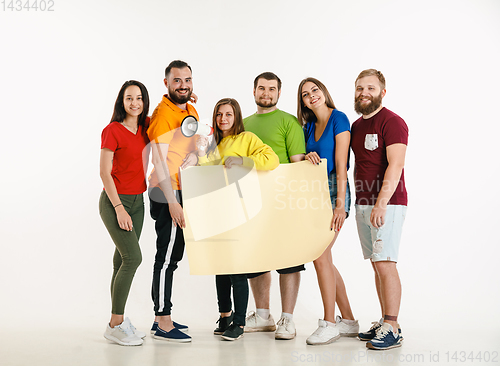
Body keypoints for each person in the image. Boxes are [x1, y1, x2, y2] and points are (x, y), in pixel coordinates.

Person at [197, 98, 279, 341]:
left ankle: (240, 323)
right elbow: (205, 173)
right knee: (220, 268)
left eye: (228, 114)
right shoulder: (214, 144)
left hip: (240, 212)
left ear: (236, 117)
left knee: (237, 268)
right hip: (216, 213)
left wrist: (244, 161)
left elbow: (271, 160)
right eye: (219, 114)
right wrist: (201, 152)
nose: (223, 118)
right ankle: (225, 316)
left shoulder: (247, 139)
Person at [243, 72, 306, 340]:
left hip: (283, 201)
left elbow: (298, 164)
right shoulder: (243, 124)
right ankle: (262, 315)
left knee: (289, 261)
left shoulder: (289, 121)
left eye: (271, 89)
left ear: (279, 93)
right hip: (252, 202)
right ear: (254, 91)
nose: (266, 93)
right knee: (256, 259)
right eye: (261, 88)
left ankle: (288, 320)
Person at [297, 77, 359, 345]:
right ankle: (348, 320)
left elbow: (342, 165)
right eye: (306, 94)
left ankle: (329, 322)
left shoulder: (339, 118)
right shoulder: (308, 126)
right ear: (302, 102)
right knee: (325, 259)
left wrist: (340, 205)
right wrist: (307, 158)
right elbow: (303, 161)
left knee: (320, 256)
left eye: (315, 90)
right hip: (313, 194)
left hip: (335, 191)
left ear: (323, 92)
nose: (312, 96)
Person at [350, 69, 408, 350]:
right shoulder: (357, 125)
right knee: (376, 263)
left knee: (386, 263)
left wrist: (381, 203)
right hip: (363, 202)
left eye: (370, 88)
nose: (364, 93)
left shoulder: (393, 122)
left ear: (382, 92)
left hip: (388, 203)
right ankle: (385, 320)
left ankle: (393, 326)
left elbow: (396, 165)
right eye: (360, 88)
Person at [147, 60, 197, 343]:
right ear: (166, 83)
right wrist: (173, 202)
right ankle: (162, 321)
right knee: (165, 258)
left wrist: (196, 156)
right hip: (166, 192)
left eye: (187, 80)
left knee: (173, 256)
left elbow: (192, 144)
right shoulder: (163, 115)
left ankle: (161, 315)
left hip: (182, 189)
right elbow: (158, 161)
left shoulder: (189, 108)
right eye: (177, 81)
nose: (183, 85)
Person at [99, 80, 150, 346]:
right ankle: (115, 324)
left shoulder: (145, 128)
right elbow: (104, 173)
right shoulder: (112, 130)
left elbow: (172, 118)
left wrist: (189, 101)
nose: (134, 103)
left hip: (138, 202)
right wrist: (119, 208)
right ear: (122, 101)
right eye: (129, 98)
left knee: (121, 261)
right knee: (133, 258)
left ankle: (118, 322)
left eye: (139, 98)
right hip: (114, 201)